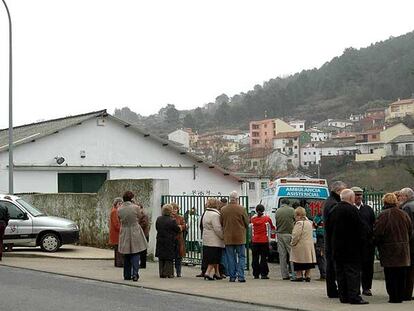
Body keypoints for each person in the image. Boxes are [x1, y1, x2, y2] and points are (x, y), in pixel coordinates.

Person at [328, 189, 368, 304]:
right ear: (351, 198)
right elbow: (361, 229)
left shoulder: (333, 210)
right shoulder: (352, 210)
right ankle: (354, 297)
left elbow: (329, 229)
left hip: (337, 248)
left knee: (340, 274)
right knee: (353, 274)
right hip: (352, 249)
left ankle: (343, 296)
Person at [374, 193, 412, 303]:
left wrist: (376, 242)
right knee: (401, 275)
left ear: (384, 202)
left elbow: (378, 232)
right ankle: (400, 296)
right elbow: (410, 231)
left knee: (390, 275)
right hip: (403, 249)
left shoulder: (383, 215)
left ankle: (393, 296)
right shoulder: (404, 214)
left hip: (388, 250)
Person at [323, 180, 347, 298]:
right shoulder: (334, 203)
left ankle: (332, 289)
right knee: (333, 267)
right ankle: (333, 290)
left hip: (330, 239)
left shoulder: (330, 201)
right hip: (333, 240)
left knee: (331, 267)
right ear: (338, 191)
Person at [117, 191, 148, 282]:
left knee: (126, 254)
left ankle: (126, 275)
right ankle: (135, 274)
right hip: (135, 230)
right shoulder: (136, 207)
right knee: (136, 253)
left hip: (125, 230)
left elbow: (119, 219)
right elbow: (139, 216)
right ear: (131, 198)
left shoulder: (119, 209)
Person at [351, 186, 375, 297]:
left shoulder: (368, 209)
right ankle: (355, 288)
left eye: (360, 195)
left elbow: (373, 224)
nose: (359, 197)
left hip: (367, 244)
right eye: (356, 195)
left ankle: (367, 288)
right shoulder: (350, 209)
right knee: (355, 268)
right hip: (354, 244)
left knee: (367, 267)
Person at [221, 191, 249, 283]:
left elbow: (221, 222)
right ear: (237, 199)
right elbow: (247, 223)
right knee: (241, 256)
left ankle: (232, 276)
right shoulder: (242, 209)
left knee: (230, 257)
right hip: (240, 237)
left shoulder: (223, 209)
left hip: (228, 237)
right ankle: (241, 276)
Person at [290, 207, 316, 282]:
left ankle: (299, 276)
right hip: (309, 245)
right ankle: (307, 275)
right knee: (308, 262)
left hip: (300, 246)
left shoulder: (299, 224)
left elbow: (295, 235)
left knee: (298, 261)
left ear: (298, 215)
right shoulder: (309, 223)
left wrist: (292, 243)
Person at [202, 198, 225, 280]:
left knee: (212, 257)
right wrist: (223, 236)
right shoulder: (215, 215)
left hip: (207, 238)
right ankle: (208, 272)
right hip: (215, 240)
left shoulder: (206, 213)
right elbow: (217, 228)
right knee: (215, 258)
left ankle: (217, 273)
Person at [155, 204, 181, 278]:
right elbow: (177, 229)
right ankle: (168, 273)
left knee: (161, 257)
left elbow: (157, 228)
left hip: (160, 239)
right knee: (168, 258)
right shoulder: (172, 220)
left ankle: (161, 272)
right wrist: (179, 228)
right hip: (169, 240)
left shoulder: (159, 219)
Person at [250, 204, 274, 279]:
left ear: (256, 211)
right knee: (264, 258)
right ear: (263, 210)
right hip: (264, 240)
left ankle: (256, 273)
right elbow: (272, 227)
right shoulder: (267, 219)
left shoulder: (252, 219)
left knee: (255, 258)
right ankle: (264, 274)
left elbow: (251, 228)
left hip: (255, 241)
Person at [275, 198, 295, 280]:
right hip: (289, 234)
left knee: (282, 255)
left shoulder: (278, 211)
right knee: (292, 255)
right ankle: (294, 273)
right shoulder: (292, 210)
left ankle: (284, 275)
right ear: (288, 203)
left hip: (280, 234)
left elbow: (277, 222)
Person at [400, 187, 414, 301]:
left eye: (401, 196)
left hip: (410, 243)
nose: (399, 198)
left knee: (408, 270)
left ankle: (406, 294)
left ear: (406, 196)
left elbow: (407, 227)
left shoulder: (406, 207)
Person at [171, 202, 186, 277]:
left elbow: (184, 225)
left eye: (176, 209)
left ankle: (178, 272)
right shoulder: (169, 217)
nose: (174, 210)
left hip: (179, 239)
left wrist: (181, 227)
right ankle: (171, 272)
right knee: (170, 256)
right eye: (173, 209)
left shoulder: (180, 217)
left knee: (178, 257)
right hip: (171, 238)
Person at [109, 197, 124, 267]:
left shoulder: (115, 211)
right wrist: (122, 228)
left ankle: (117, 262)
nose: (121, 205)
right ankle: (119, 263)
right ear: (116, 204)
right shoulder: (115, 211)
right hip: (116, 233)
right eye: (119, 203)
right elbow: (116, 224)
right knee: (118, 248)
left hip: (115, 233)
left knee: (117, 248)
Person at [312, 210, 326, 280]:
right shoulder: (329, 214)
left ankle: (323, 274)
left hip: (320, 237)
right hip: (327, 237)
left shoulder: (319, 216)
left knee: (320, 255)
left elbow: (314, 225)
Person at [136, 202, 150, 269]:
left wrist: (137, 226)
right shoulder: (137, 215)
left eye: (139, 208)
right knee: (139, 250)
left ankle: (143, 264)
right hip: (139, 235)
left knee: (143, 250)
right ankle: (140, 263)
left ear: (141, 208)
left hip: (144, 234)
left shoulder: (144, 215)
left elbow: (144, 224)